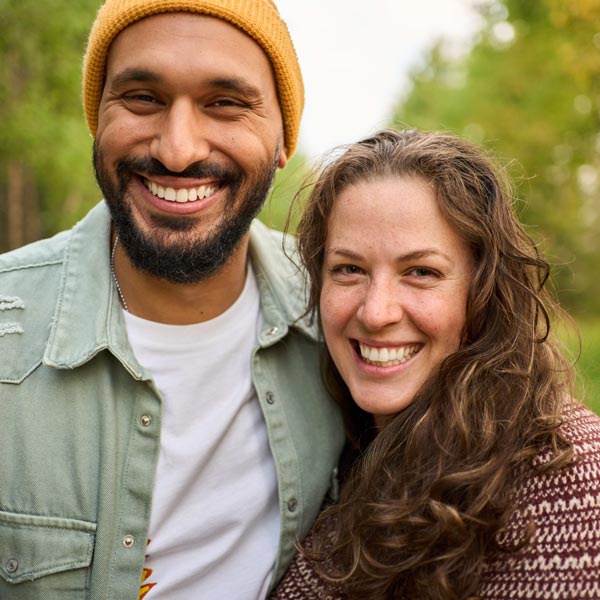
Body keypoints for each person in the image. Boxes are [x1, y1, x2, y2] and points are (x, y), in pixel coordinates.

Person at [0, 1, 344, 598]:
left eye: (226, 104)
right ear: (97, 120)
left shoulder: (346, 317)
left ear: (284, 138)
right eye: (142, 98)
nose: (178, 150)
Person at [272, 129, 600, 600]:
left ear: (483, 293)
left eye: (421, 272)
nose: (375, 311)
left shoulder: (569, 490)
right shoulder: (331, 449)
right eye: (349, 269)